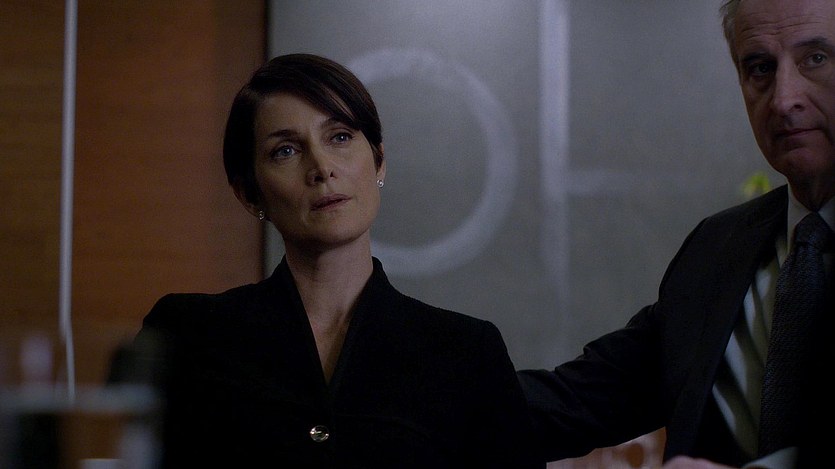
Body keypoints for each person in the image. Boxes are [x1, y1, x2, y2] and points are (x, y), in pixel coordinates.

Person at [110, 53, 543, 469]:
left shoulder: (467, 352)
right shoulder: (184, 334)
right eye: (285, 151)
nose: (322, 167)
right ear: (249, 194)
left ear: (379, 161)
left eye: (339, 137)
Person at [517, 0, 835, 468]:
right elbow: (577, 400)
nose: (784, 98)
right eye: (760, 68)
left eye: (816, 58)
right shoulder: (718, 246)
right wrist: (414, 385)